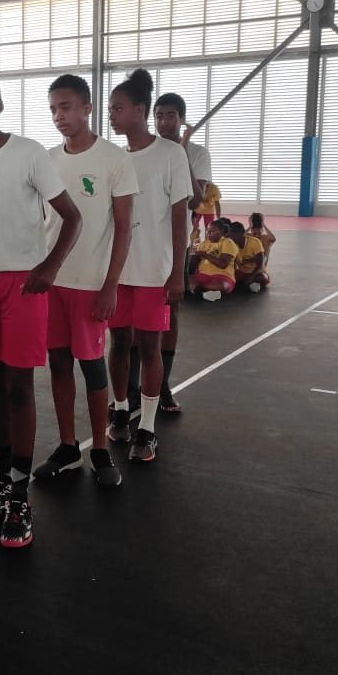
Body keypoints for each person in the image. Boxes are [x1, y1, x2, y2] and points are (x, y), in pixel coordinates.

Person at [0, 68, 81, 548]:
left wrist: (50, 266)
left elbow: (72, 216)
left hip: (24, 282)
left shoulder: (28, 153)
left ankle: (21, 495)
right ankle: (4, 481)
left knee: (19, 386)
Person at [33, 74, 136, 488]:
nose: (59, 116)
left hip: (91, 284)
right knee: (58, 362)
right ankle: (67, 447)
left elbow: (124, 228)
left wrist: (111, 284)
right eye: (53, 109)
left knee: (93, 368)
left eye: (66, 107)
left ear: (88, 108)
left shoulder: (114, 159)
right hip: (53, 282)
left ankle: (99, 449)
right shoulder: (47, 160)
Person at [106, 69, 191, 463]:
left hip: (155, 271)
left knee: (150, 347)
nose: (111, 115)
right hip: (117, 272)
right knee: (119, 343)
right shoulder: (113, 158)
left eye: (118, 108)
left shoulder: (171, 155)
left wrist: (176, 272)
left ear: (139, 110)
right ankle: (121, 409)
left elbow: (179, 219)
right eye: (110, 109)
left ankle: (148, 427)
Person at [151, 93, 204, 414]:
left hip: (174, 244)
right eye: (159, 116)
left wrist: (181, 152)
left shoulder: (196, 153)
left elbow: (196, 200)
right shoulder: (146, 149)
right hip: (142, 244)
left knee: (169, 315)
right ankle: (133, 388)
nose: (164, 122)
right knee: (137, 320)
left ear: (181, 119)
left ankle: (163, 385)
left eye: (170, 115)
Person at [189, 218, 238, 302]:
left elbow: (223, 264)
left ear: (221, 232)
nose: (208, 233)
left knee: (221, 285)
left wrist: (204, 254)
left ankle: (199, 291)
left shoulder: (228, 242)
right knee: (188, 281)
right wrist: (194, 257)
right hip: (203, 275)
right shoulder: (203, 244)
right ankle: (206, 293)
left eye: (212, 231)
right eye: (207, 231)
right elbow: (194, 265)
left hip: (222, 276)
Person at [229, 221, 268, 292]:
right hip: (242, 271)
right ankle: (250, 285)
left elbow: (260, 263)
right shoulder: (232, 244)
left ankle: (249, 284)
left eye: (231, 235)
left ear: (240, 233)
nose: (230, 238)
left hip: (257, 272)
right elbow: (232, 264)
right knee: (230, 278)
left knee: (262, 278)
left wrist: (252, 276)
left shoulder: (255, 242)